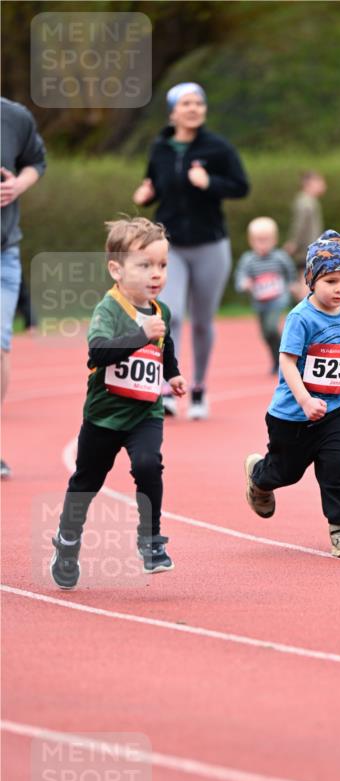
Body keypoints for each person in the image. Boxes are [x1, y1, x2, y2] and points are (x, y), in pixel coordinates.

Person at [50, 217, 187, 590]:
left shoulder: (161, 312)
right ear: (117, 269)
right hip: (105, 416)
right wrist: (139, 334)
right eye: (144, 265)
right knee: (87, 481)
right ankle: (67, 540)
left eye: (161, 265)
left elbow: (164, 345)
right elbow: (97, 352)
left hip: (145, 411)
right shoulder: (109, 310)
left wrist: (172, 373)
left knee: (147, 465)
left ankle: (152, 542)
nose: (155, 274)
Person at [244, 230, 340, 558]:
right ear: (311, 281)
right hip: (292, 415)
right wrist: (304, 400)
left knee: (336, 465)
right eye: (330, 281)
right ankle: (260, 477)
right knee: (287, 472)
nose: (339, 288)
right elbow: (286, 361)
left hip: (335, 409)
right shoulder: (301, 317)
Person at [133, 82, 249, 420]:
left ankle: (198, 387)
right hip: (170, 246)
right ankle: (170, 386)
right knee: (170, 315)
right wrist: (145, 196)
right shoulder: (160, 148)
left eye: (199, 102)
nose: (194, 108)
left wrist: (210, 182)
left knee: (201, 321)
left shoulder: (218, 148)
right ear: (173, 111)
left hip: (211, 244)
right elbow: (153, 184)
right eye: (186, 103)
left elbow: (241, 186)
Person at [1, 97, 47, 479]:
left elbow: (37, 162)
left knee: (0, 348)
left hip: (3, 255)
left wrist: (18, 183)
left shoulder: (14, 116)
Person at [234, 216, 298, 373]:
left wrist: (292, 284)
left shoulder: (280, 257)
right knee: (266, 334)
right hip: (260, 302)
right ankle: (277, 360)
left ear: (274, 240)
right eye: (258, 240)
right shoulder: (248, 259)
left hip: (278, 299)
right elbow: (240, 276)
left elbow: (290, 272)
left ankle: (289, 356)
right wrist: (245, 284)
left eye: (266, 240)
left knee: (271, 327)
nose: (262, 244)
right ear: (251, 241)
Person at [284, 170, 327, 300]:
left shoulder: (309, 201)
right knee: (305, 278)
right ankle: (305, 308)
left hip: (310, 247)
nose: (323, 186)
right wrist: (294, 243)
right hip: (307, 249)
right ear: (310, 183)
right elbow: (300, 225)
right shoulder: (305, 202)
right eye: (320, 182)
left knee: (305, 277)